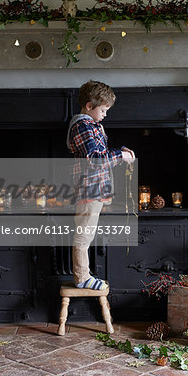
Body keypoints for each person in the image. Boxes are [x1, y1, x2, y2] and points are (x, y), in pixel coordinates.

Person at [66, 80, 135, 290]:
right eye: (103, 109)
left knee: (87, 233)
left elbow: (100, 152)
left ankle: (84, 275)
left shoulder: (91, 125)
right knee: (84, 234)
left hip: (95, 190)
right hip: (89, 190)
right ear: (89, 106)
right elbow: (95, 159)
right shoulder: (82, 126)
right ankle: (81, 277)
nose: (105, 114)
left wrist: (120, 150)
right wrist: (121, 156)